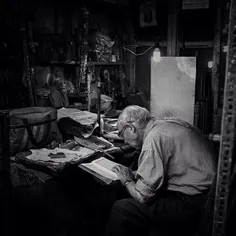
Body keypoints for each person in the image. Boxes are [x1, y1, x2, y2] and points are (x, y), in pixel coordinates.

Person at [105, 105, 216, 236]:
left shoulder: (153, 139)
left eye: (122, 135)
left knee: (121, 209)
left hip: (194, 204)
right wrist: (134, 174)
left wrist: (127, 181)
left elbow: (142, 196)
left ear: (131, 128)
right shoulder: (168, 124)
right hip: (208, 194)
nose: (124, 140)